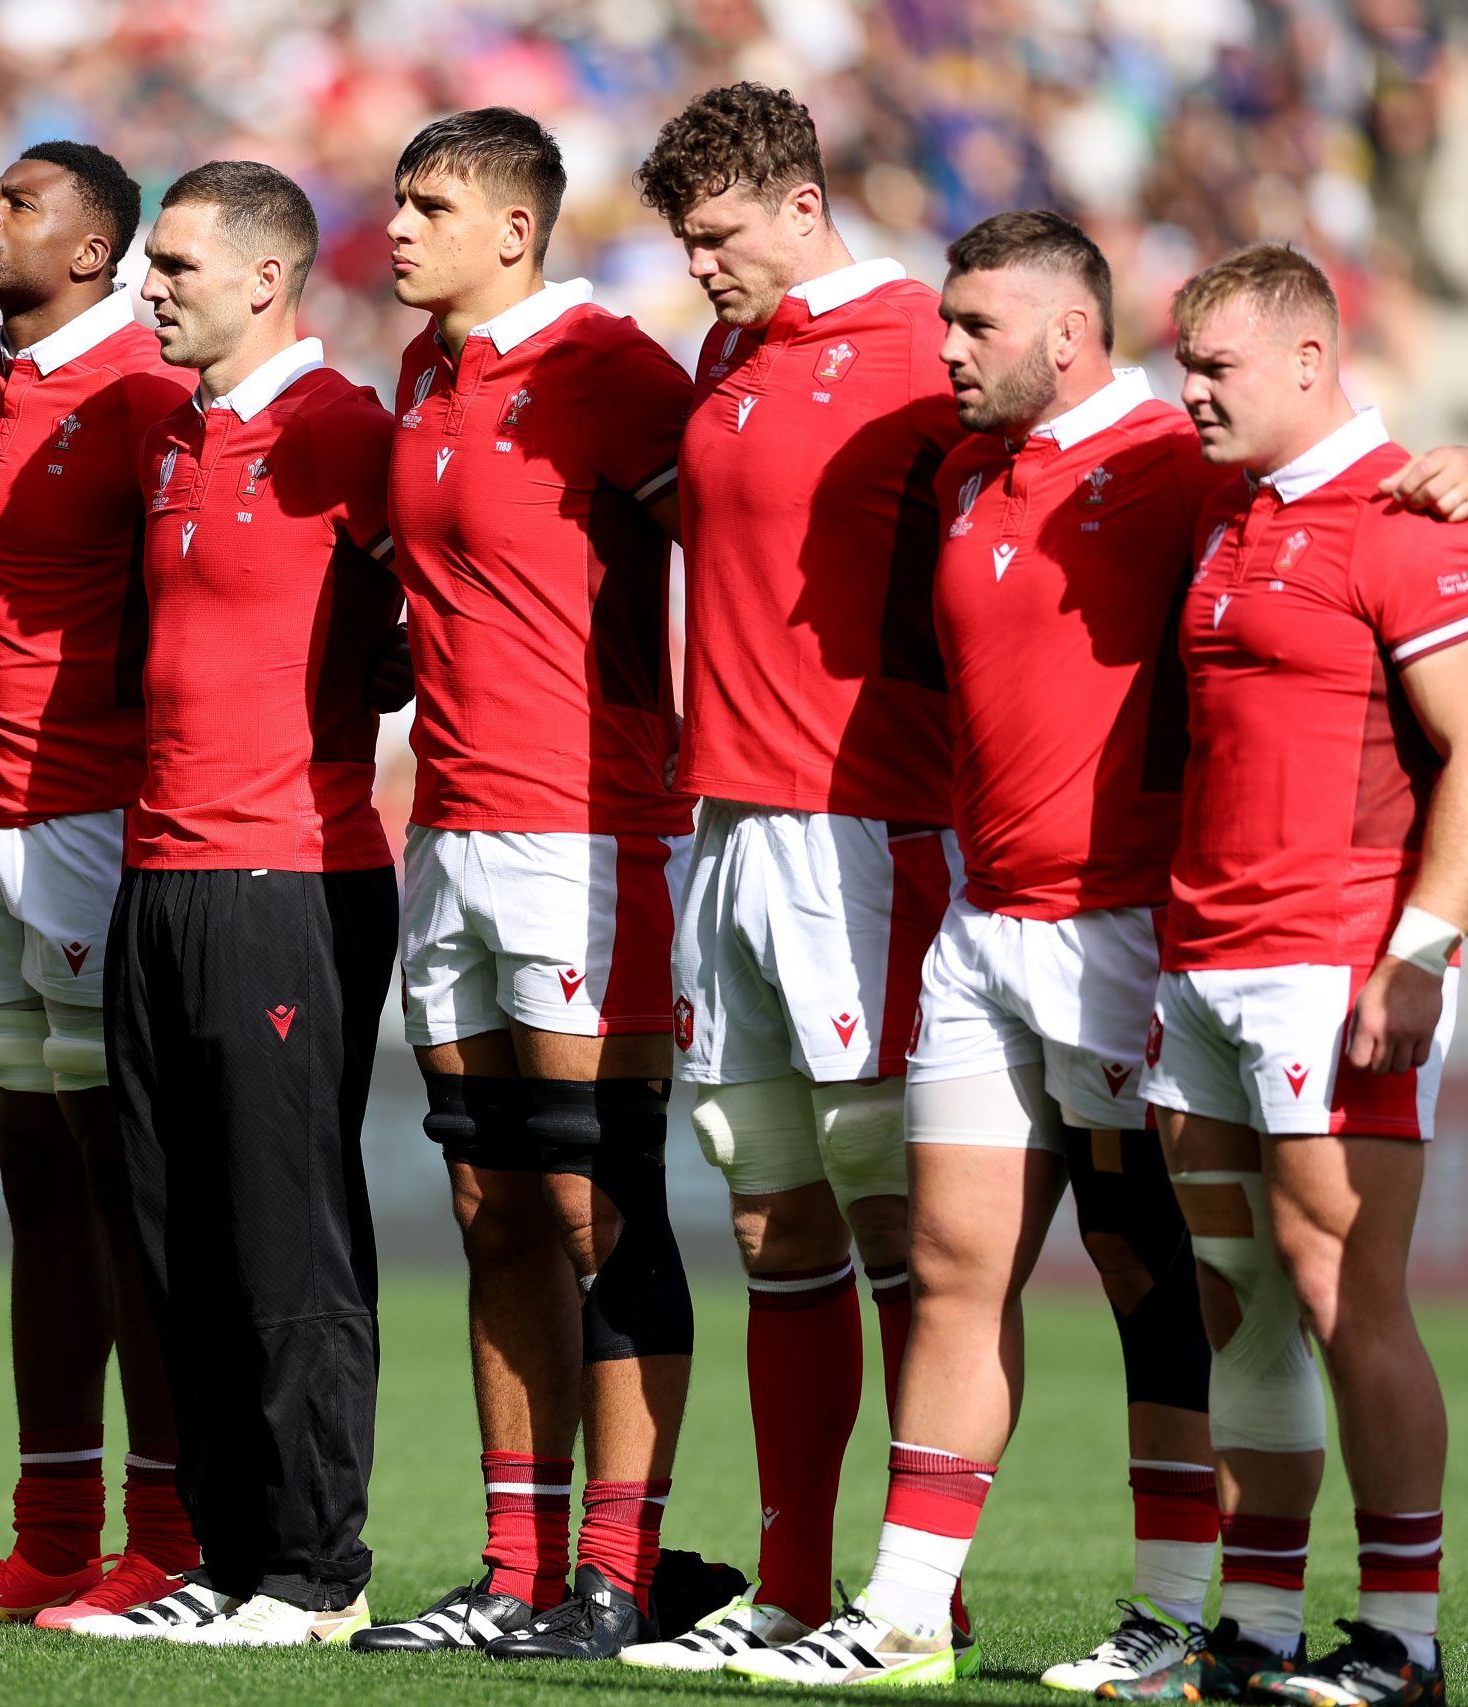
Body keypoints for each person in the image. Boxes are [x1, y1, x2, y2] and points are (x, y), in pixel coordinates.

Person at [716, 209, 1221, 1688]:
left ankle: (1181, 1616)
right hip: (981, 929)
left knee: (1152, 1275)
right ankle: (904, 1614)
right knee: (949, 1266)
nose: (946, 349)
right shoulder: (961, 471)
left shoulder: (1176, 466)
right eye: (943, 319)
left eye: (976, 326)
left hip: (1123, 934)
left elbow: (1342, 515)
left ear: (1069, 332)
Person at [613, 84, 968, 1672]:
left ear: (800, 198)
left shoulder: (925, 346)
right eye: (686, 241)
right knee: (773, 1229)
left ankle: (918, 1598)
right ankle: (795, 1586)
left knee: (896, 1221)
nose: (701, 266)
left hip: (864, 832)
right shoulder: (726, 354)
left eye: (720, 234)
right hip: (725, 829)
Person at [351, 106, 703, 1661]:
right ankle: (513, 1567)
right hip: (450, 826)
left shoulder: (614, 371)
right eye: (397, 198)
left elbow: (740, 551)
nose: (400, 226)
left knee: (592, 1198)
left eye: (430, 203)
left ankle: (620, 1574)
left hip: (589, 830)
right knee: (488, 1200)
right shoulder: (423, 376)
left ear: (515, 226)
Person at [1120, 243, 1461, 1707]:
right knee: (1239, 1295)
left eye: (1216, 368)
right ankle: (1256, 1625)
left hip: (1333, 962)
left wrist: (1422, 953)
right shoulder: (1224, 512)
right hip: (1201, 959)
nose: (1187, 392)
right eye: (1182, 364)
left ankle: (1403, 1639)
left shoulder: (1402, 520)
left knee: (1345, 1290)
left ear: (1313, 362)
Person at [0, 140, 200, 1632]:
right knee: (38, 1192)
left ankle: (171, 1530)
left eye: (19, 201)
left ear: (95, 250)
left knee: (126, 1187)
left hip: (99, 818)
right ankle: (49, 1530)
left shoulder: (146, 386)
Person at [81, 160, 399, 1648]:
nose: (150, 286)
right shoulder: (172, 433)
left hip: (289, 873)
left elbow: (410, 641)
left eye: (178, 265)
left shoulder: (349, 433)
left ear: (268, 278)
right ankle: (221, 1550)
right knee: (173, 1235)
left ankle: (315, 1568)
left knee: (285, 1232)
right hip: (155, 872)